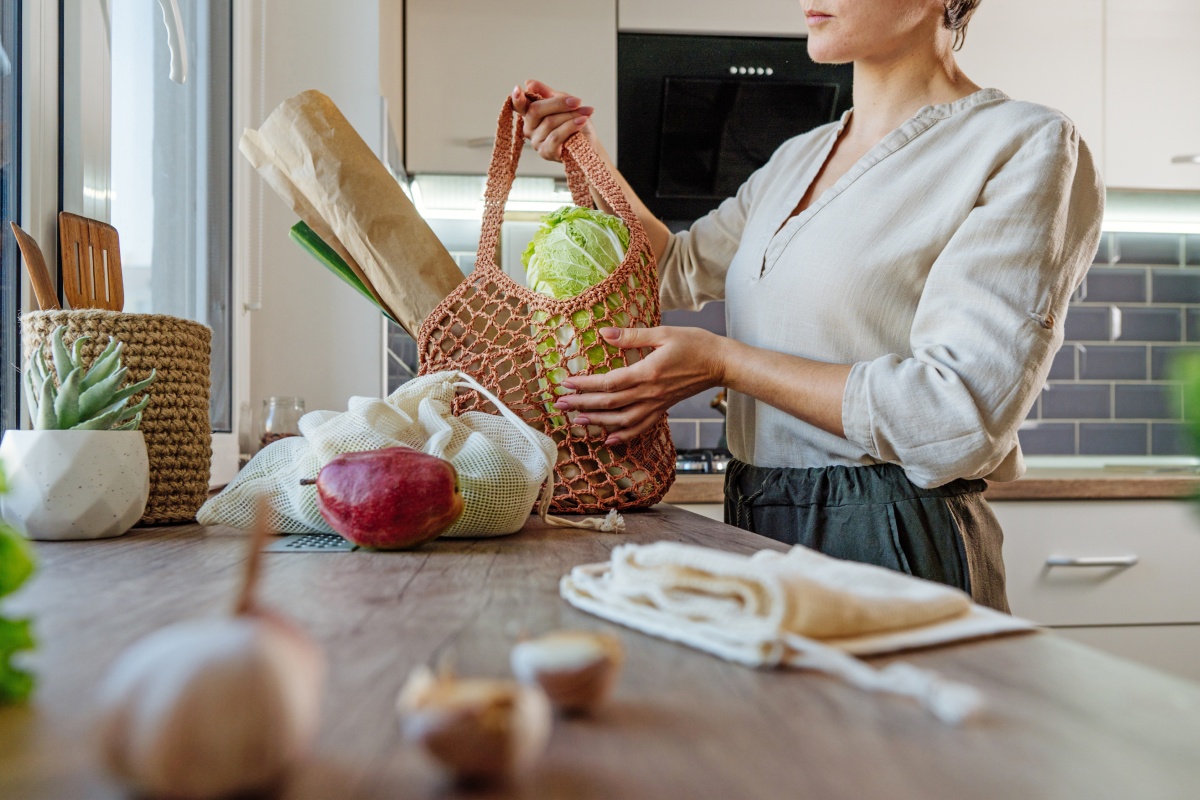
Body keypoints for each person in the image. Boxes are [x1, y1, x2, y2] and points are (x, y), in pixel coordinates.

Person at [513, 0, 1104, 612]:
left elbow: (956, 419)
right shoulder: (800, 156)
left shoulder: (1022, 144)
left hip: (893, 535)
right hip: (754, 517)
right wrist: (589, 159)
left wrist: (727, 364)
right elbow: (673, 268)